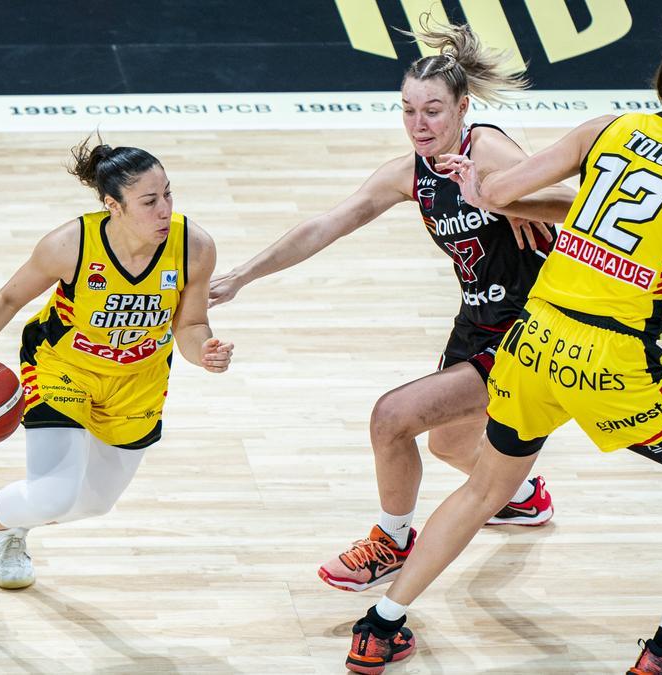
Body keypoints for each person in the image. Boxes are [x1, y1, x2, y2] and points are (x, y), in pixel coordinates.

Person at [340, 17, 662, 675]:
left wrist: (572, 228)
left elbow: (499, 193)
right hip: (612, 367)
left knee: (487, 484)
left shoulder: (608, 127)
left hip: (531, 343)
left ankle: (381, 624)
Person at [210, 17, 574, 595]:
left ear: (461, 109)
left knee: (392, 419)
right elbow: (328, 224)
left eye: (432, 110)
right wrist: (241, 276)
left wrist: (514, 200)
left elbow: (576, 198)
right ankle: (524, 498)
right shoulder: (412, 173)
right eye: (408, 110)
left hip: (529, 331)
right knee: (449, 442)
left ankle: (392, 540)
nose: (418, 123)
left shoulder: (489, 147)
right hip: (475, 321)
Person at [0, 137, 233, 604]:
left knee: (95, 502)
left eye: (168, 194)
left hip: (139, 380)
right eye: (149, 201)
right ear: (114, 205)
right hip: (62, 367)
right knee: (53, 492)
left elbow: (190, 324)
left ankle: (13, 526)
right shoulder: (70, 245)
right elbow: (8, 298)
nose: (164, 209)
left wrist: (202, 350)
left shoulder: (194, 246)